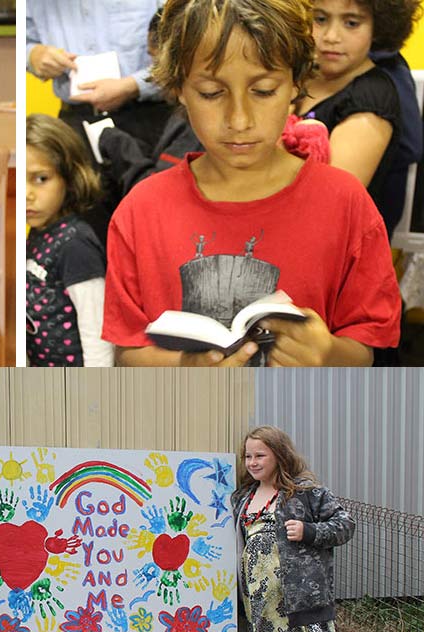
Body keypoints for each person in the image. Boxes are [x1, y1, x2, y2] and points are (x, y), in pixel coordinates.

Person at [102, 0, 401, 367]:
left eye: (262, 91)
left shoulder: (346, 202)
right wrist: (186, 367)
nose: (239, 119)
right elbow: (127, 354)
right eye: (212, 93)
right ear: (179, 87)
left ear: (296, 83)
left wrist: (326, 354)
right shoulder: (140, 209)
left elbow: (365, 348)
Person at [232, 426, 354, 632]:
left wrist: (309, 531)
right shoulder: (243, 497)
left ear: (279, 455)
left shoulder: (305, 493)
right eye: (248, 456)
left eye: (260, 455)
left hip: (301, 597)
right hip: (261, 604)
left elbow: (345, 526)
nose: (253, 462)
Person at [26, 2, 173, 245]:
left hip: (145, 114)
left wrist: (133, 85)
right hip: (76, 120)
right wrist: (32, 55)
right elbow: (24, 39)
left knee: (154, 226)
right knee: (79, 232)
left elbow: (184, 44)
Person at [296, 0, 422, 236]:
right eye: (320, 19)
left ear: (379, 27)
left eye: (351, 23)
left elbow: (328, 207)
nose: (332, 36)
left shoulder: (371, 99)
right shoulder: (302, 73)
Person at [26, 115, 113, 367]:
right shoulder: (40, 230)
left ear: (70, 177)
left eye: (41, 179)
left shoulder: (75, 245)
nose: (27, 194)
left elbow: (98, 335)